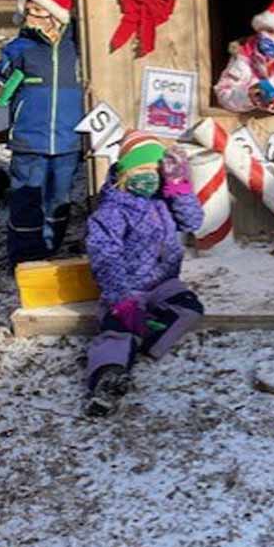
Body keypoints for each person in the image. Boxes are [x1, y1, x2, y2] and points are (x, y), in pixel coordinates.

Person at [84, 131, 205, 418]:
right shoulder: (112, 210)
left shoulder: (164, 199)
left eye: (155, 170)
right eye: (141, 170)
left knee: (190, 310)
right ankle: (107, 377)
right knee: (116, 331)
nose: (149, 177)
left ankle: (143, 340)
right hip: (127, 289)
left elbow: (193, 222)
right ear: (125, 173)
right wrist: (120, 298)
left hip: (163, 283)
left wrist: (180, 188)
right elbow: (104, 256)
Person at [0, 0, 84, 270]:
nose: (30, 18)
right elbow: (0, 74)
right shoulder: (20, 47)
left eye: (38, 11)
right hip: (29, 138)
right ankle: (24, 257)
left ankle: (51, 248)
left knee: (58, 198)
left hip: (68, 139)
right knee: (27, 198)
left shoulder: (77, 47)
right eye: (28, 11)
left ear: (56, 14)